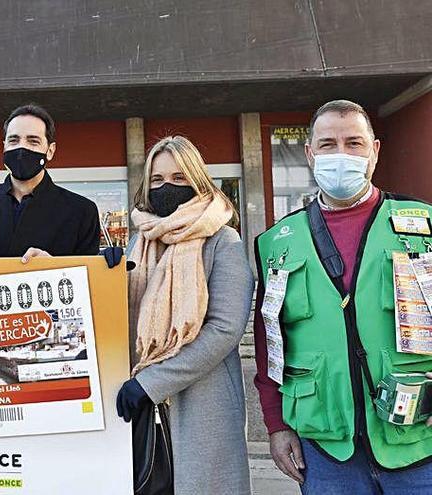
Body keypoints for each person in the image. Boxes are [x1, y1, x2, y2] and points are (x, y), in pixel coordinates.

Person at [253, 100, 432, 493]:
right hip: (326, 447)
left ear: (375, 151)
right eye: (328, 144)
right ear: (309, 154)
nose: (341, 155)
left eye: (354, 143)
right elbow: (270, 345)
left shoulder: (424, 224)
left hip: (418, 442)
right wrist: (276, 425)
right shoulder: (276, 243)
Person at [115, 136, 254, 494]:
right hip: (145, 409)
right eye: (158, 180)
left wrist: (151, 383)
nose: (167, 188)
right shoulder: (140, 242)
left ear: (197, 181)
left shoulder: (224, 241)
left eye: (179, 178)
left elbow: (224, 331)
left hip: (202, 406)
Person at [0, 104, 101, 261]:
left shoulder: (81, 211)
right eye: (13, 140)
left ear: (50, 150)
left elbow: (89, 278)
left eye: (33, 141)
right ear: (4, 146)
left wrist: (55, 267)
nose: (21, 147)